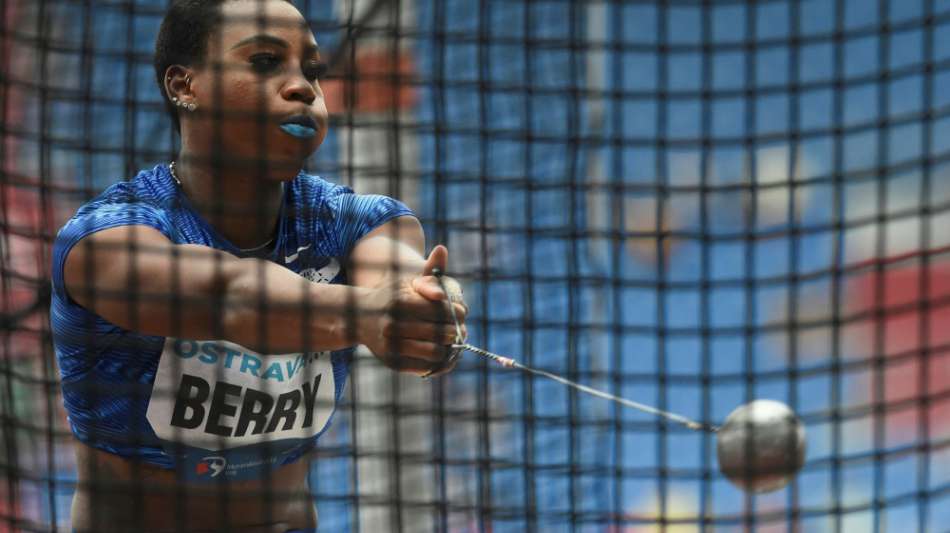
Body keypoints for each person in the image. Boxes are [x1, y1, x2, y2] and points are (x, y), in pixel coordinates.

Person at [49, 0, 467, 531]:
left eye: (311, 70)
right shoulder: (107, 243)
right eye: (266, 61)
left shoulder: (356, 223)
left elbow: (399, 271)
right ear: (185, 86)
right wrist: (367, 313)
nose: (303, 88)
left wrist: (431, 302)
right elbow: (232, 297)